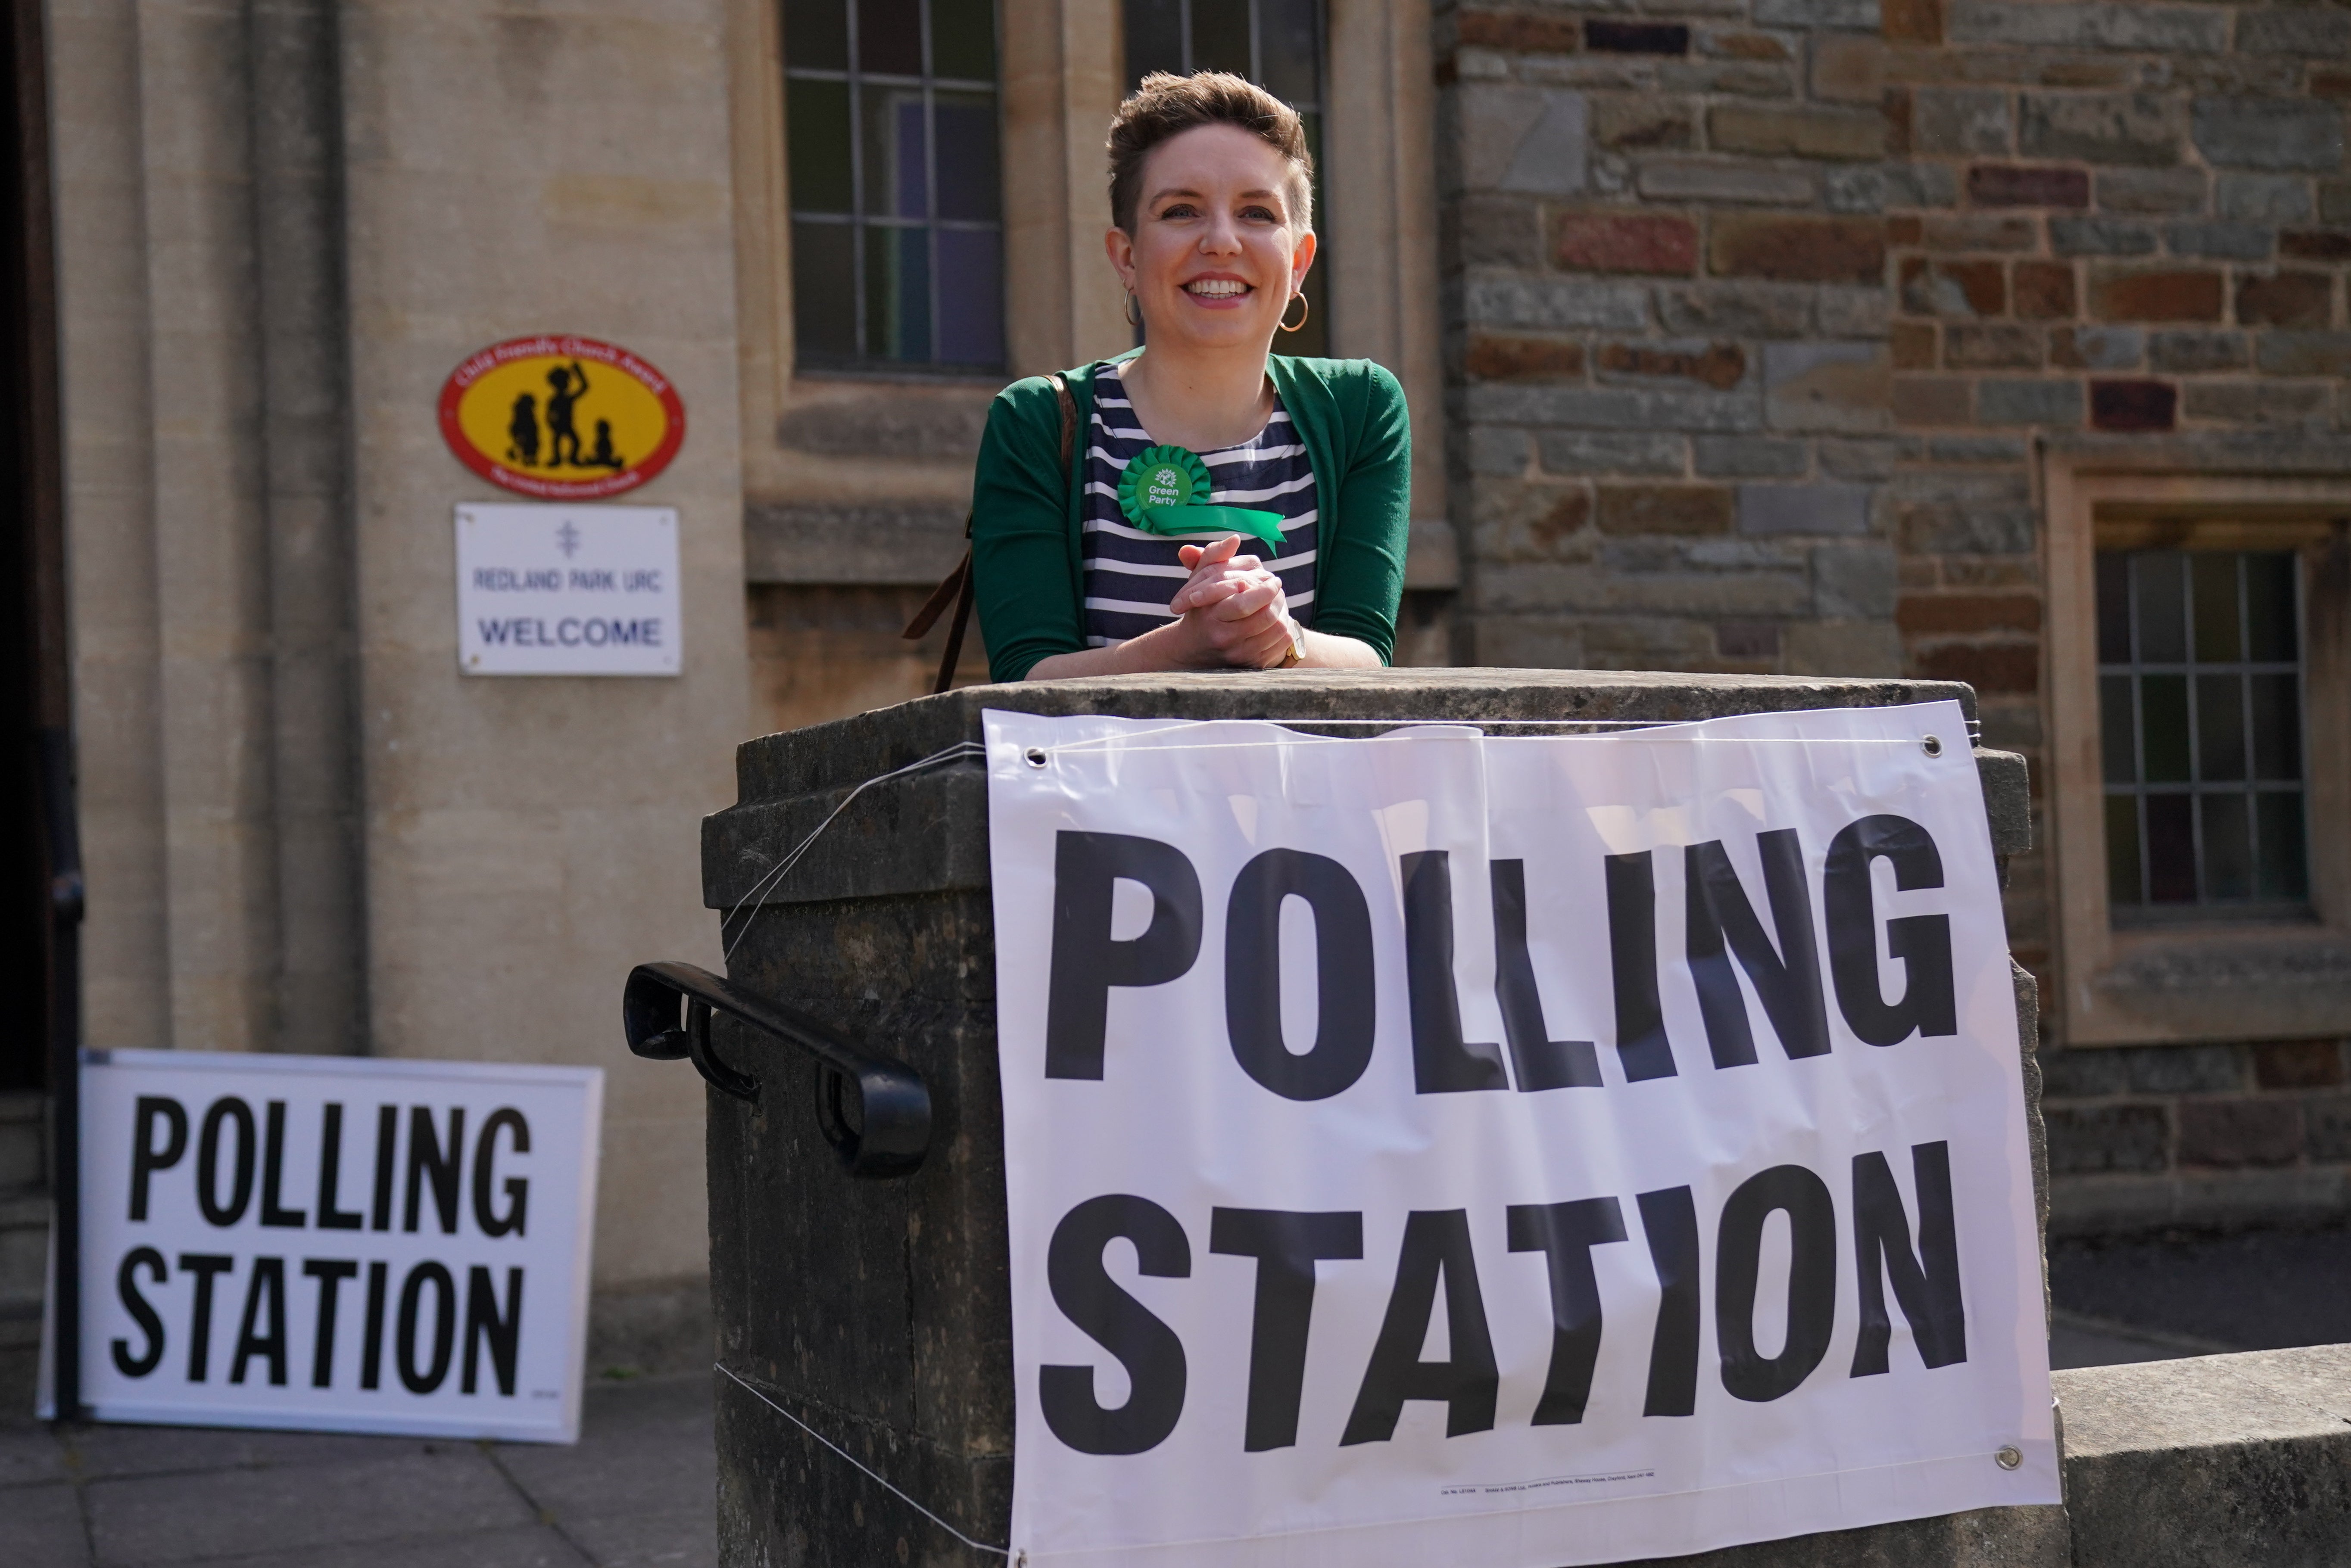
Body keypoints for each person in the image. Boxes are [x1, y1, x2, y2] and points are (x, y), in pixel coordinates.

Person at [969, 72, 1408, 681]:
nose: (1222, 242)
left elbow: (1368, 656)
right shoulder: (1039, 421)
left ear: (1300, 260)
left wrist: (1282, 637)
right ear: (1126, 255)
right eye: (1182, 211)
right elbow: (1026, 674)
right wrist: (1182, 648)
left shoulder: (1362, 409)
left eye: (1257, 213)